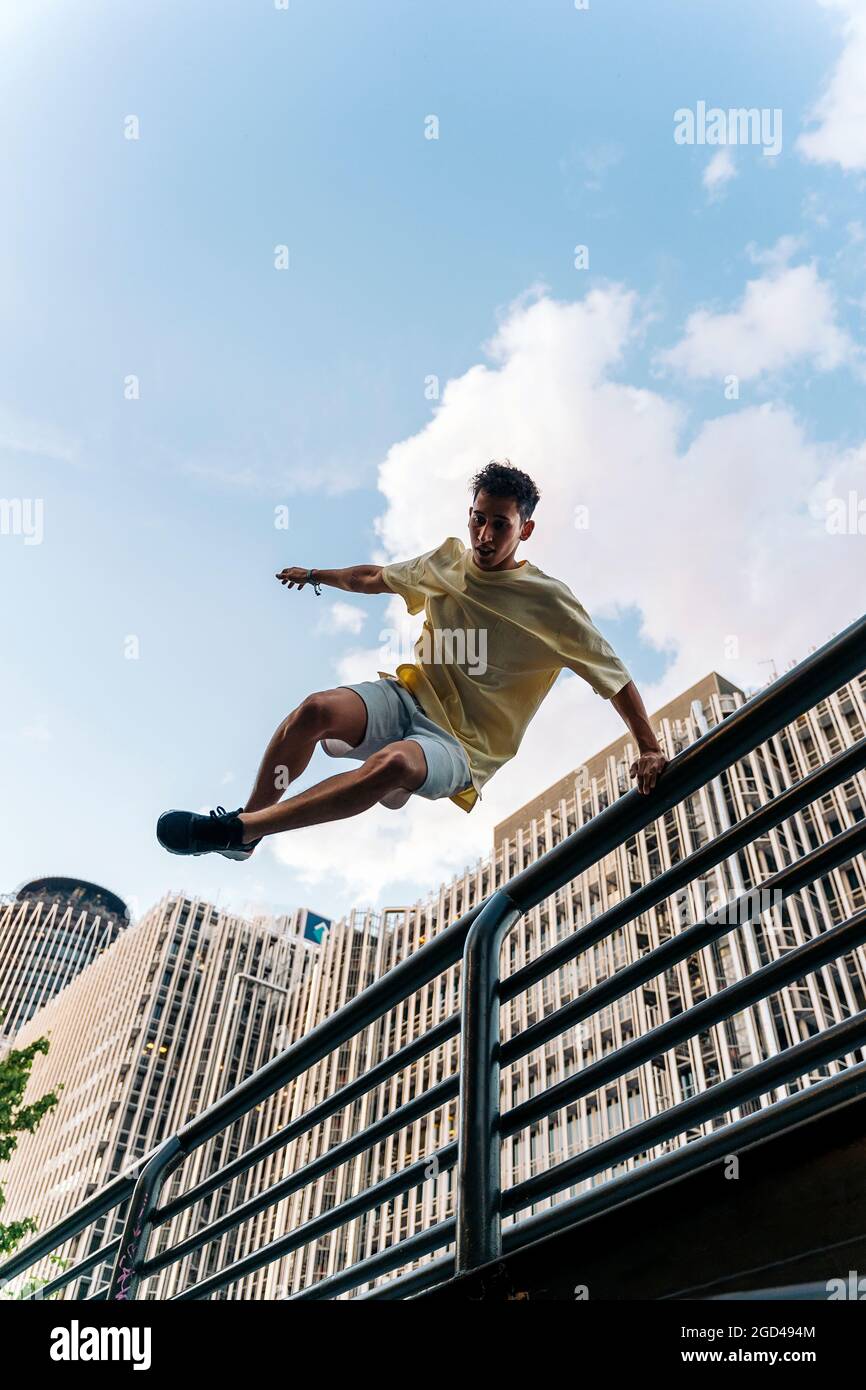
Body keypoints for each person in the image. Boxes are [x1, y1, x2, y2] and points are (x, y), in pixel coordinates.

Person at [157, 460, 668, 860]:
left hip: (462, 748)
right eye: (478, 519)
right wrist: (315, 574)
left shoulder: (550, 602)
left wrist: (649, 747)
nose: (485, 537)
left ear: (525, 530)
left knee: (395, 762)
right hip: (407, 698)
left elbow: (614, 677)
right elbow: (372, 578)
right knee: (314, 711)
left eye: (501, 526)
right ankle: (244, 833)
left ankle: (241, 829)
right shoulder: (445, 560)